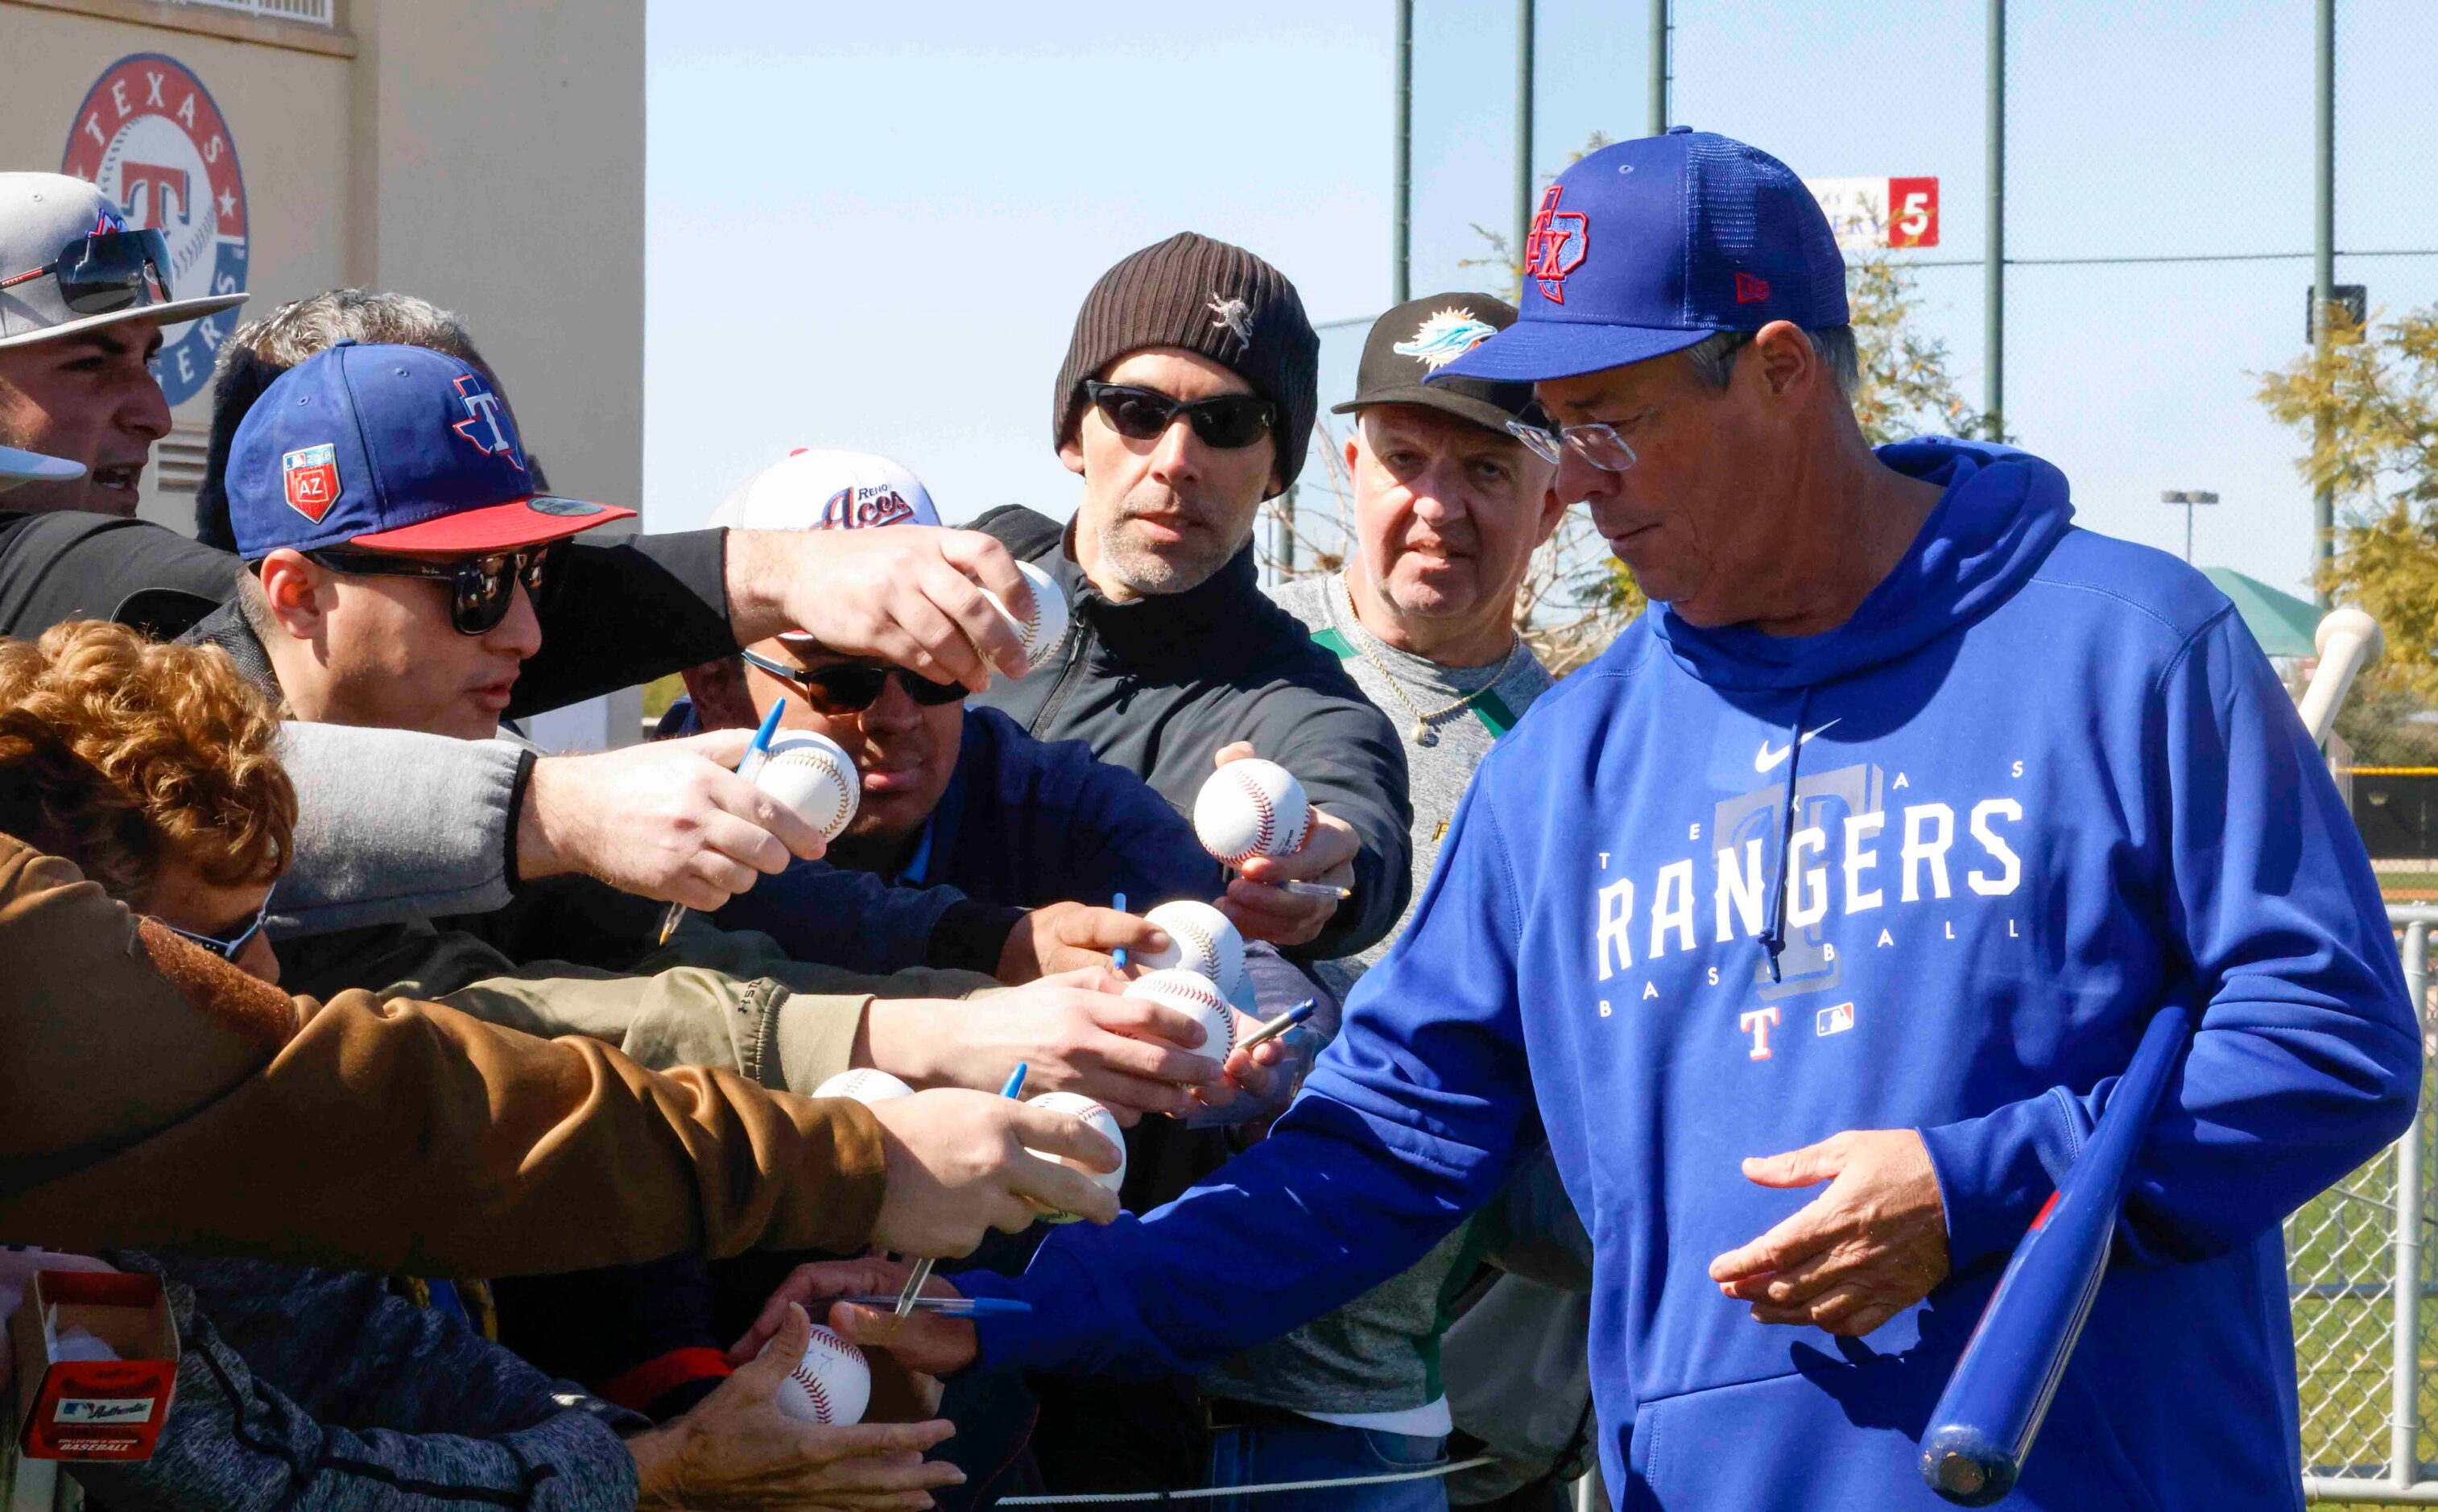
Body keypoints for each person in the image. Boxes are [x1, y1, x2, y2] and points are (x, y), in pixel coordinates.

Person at [773, 130, 2421, 1511]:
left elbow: (2329, 1037)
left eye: (1612, 418)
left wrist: (1981, 1185)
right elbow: (1376, 1152)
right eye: (1559, 429)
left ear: (1778, 374)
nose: (1579, 476)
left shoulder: (2119, 644)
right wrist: (1016, 1306)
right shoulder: (1575, 762)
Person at [0, 618, 965, 1509]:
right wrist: (661, 1473)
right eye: (213, 949)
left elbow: (389, 1359)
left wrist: (665, 1444)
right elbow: (273, 1483)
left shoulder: (183, 1130)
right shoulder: (60, 1223)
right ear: (73, 958)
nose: (268, 972)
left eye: (270, 920)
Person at [1170, 294, 1574, 1509]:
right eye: (1405, 458)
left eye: (1489, 467)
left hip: (1366, 1420)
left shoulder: (1581, 759)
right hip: (1123, 1382)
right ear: (1352, 469)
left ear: (1555, 501)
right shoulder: (1220, 661)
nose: (1438, 504)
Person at [969, 231, 1411, 963]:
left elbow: (1352, 817)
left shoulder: (1298, 701)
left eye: (1227, 423)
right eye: (1138, 411)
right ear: (1074, 433)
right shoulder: (955, 577)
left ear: (1278, 468)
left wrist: (1329, 872)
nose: (1177, 461)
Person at [676, 448, 1217, 982]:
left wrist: (1278, 900)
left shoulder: (1043, 794)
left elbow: (1222, 934)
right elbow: (771, 901)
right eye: (842, 680)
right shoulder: (644, 806)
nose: (897, 715)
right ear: (715, 685)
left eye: (932, 667)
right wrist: (993, 945)